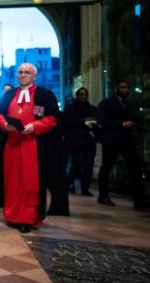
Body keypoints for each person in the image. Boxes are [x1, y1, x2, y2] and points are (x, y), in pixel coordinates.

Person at [0, 63, 69, 233]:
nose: (22, 75)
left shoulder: (45, 95)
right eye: (20, 72)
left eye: (26, 72)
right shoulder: (9, 94)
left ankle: (28, 218)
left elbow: (53, 119)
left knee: (30, 183)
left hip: (32, 146)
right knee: (12, 182)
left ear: (34, 75)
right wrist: (5, 125)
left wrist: (35, 126)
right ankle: (12, 216)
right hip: (12, 146)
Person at [97, 80, 149, 209]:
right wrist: (121, 124)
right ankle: (103, 196)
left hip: (127, 140)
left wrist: (137, 124)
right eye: (122, 87)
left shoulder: (129, 104)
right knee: (106, 168)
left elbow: (136, 118)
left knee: (136, 168)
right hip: (112, 140)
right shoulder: (107, 102)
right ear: (116, 88)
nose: (125, 90)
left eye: (127, 87)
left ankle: (140, 200)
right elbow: (101, 120)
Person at [63, 87, 98, 196]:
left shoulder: (91, 108)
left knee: (89, 165)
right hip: (75, 141)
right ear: (77, 95)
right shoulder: (70, 107)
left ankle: (85, 188)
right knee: (76, 164)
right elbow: (66, 121)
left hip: (88, 141)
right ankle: (69, 184)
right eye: (81, 94)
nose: (83, 96)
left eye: (85, 94)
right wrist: (83, 121)